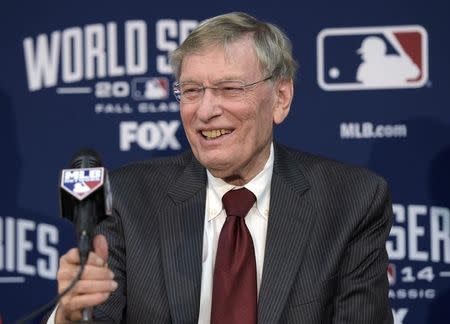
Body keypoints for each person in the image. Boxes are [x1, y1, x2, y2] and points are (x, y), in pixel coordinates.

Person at [50, 12, 393, 323]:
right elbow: (94, 316)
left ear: (281, 98)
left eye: (229, 88)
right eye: (192, 90)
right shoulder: (129, 198)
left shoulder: (350, 201)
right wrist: (70, 315)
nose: (205, 110)